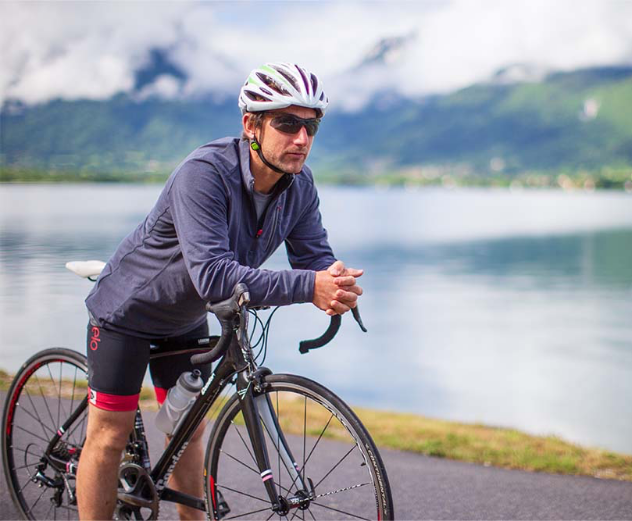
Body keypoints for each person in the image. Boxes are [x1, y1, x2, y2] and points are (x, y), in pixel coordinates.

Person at [76, 62, 364, 520]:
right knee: (109, 436)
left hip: (187, 317)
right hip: (128, 311)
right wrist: (309, 286)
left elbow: (312, 259)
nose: (302, 139)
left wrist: (336, 282)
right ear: (251, 123)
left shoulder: (300, 186)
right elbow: (213, 275)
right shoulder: (204, 174)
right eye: (287, 123)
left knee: (187, 432)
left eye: (311, 126)